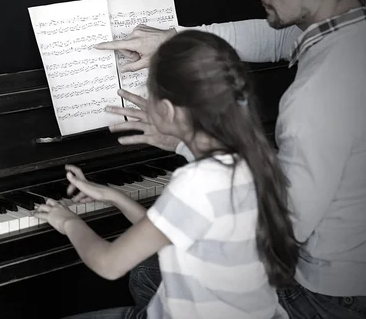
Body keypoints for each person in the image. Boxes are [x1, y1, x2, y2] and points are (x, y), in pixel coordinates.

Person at [93, 0, 366, 318]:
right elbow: (276, 38)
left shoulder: (315, 98)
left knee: (149, 273)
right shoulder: (346, 29)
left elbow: (281, 230)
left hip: (324, 295)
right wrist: (174, 39)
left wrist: (193, 147)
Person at [34, 30, 299, 319]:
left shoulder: (197, 182)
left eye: (150, 93)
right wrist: (116, 197)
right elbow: (173, 231)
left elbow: (109, 265)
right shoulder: (249, 161)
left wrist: (67, 221)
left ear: (169, 110)